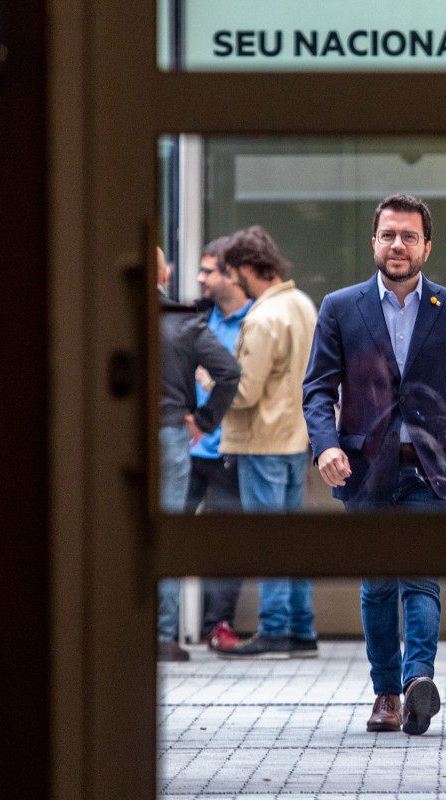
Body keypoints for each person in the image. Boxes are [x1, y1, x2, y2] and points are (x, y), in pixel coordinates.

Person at [302, 194, 446, 735]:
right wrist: (326, 444)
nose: (398, 245)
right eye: (388, 235)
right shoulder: (341, 306)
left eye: (409, 236)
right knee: (379, 584)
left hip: (432, 467)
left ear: (427, 246)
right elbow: (317, 388)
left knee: (422, 578)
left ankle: (416, 685)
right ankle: (386, 692)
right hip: (364, 466)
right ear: (374, 242)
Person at [216, 226, 320, 660]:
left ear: (244, 269)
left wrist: (209, 382)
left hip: (262, 441)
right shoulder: (302, 305)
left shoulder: (261, 317)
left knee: (268, 540)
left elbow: (244, 392)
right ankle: (301, 629)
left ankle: (274, 630)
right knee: (290, 537)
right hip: (298, 437)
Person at [154, 246, 241, 662]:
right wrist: (204, 421)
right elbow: (229, 371)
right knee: (166, 531)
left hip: (114, 439)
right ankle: (163, 637)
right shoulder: (182, 321)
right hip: (170, 433)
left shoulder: (101, 317)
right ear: (165, 274)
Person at [185, 237, 253, 652]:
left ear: (232, 274)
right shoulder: (195, 316)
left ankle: (217, 625)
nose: (200, 278)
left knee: (232, 541)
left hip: (234, 448)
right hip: (190, 446)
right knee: (168, 529)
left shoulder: (260, 319)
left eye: (209, 270)